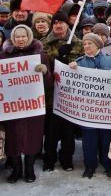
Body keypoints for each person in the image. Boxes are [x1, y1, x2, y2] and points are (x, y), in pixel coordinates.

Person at [0, 25, 52, 183]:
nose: (20, 39)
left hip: (33, 105)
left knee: (32, 136)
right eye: (17, 37)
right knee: (13, 137)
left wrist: (45, 72)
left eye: (23, 36)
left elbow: (49, 83)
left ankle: (29, 169)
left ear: (29, 37)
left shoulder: (40, 55)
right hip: (12, 105)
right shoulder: (3, 56)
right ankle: (16, 169)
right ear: (13, 38)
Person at [69, 33, 111, 178]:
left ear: (98, 45)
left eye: (89, 43)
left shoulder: (110, 61)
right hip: (88, 109)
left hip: (106, 109)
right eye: (84, 44)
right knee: (89, 141)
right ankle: (89, 166)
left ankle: (109, 166)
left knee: (106, 140)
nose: (86, 46)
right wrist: (70, 69)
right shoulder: (78, 63)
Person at [41, 11, 83, 171]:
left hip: (70, 95)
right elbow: (42, 65)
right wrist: (58, 58)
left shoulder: (78, 43)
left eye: (62, 23)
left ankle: (67, 158)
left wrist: (69, 61)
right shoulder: (44, 43)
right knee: (51, 131)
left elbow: (82, 66)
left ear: (67, 24)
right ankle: (49, 159)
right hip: (51, 95)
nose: (58, 26)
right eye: (55, 23)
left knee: (68, 131)